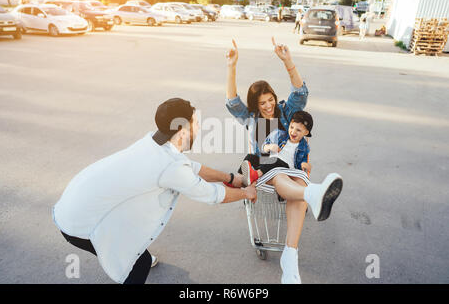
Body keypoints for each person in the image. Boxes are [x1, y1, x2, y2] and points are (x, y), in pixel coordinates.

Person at [52, 98, 258, 284]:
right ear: (182, 130)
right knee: (137, 266)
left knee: (131, 242)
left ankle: (136, 253)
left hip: (73, 202)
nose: (199, 126)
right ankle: (135, 257)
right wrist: (246, 193)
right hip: (79, 223)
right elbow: (211, 194)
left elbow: (189, 167)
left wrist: (231, 178)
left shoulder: (155, 141)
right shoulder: (170, 166)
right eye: (195, 122)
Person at [225, 38, 343, 284]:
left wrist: (287, 60)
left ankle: (290, 261)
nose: (268, 107)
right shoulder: (251, 119)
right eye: (262, 103)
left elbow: (300, 93)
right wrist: (232, 66)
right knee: (289, 181)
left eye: (270, 100)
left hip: (291, 174)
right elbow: (232, 101)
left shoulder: (286, 112)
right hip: (268, 174)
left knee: (298, 191)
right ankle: (313, 194)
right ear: (255, 105)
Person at [240, 110, 313, 186]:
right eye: (291, 127)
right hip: (268, 166)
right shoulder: (279, 134)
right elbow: (263, 147)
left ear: (306, 132)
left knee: (276, 160)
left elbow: (301, 167)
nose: (293, 132)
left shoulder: (304, 147)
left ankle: (254, 176)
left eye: (298, 130)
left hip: (286, 171)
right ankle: (238, 179)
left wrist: (305, 165)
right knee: (251, 157)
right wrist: (269, 147)